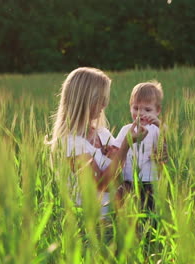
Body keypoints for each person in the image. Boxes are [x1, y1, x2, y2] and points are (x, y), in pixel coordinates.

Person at [47, 67, 147, 217]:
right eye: (101, 99)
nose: (104, 105)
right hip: (93, 226)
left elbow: (122, 170)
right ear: (85, 100)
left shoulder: (102, 133)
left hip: (119, 218)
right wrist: (126, 145)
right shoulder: (69, 143)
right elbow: (102, 184)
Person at [112, 81, 166, 210]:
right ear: (130, 107)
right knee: (128, 213)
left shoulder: (156, 129)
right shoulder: (127, 129)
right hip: (128, 180)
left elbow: (167, 142)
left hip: (149, 181)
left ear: (157, 110)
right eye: (136, 108)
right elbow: (116, 149)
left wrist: (159, 124)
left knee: (148, 212)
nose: (140, 113)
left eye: (147, 109)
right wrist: (108, 149)